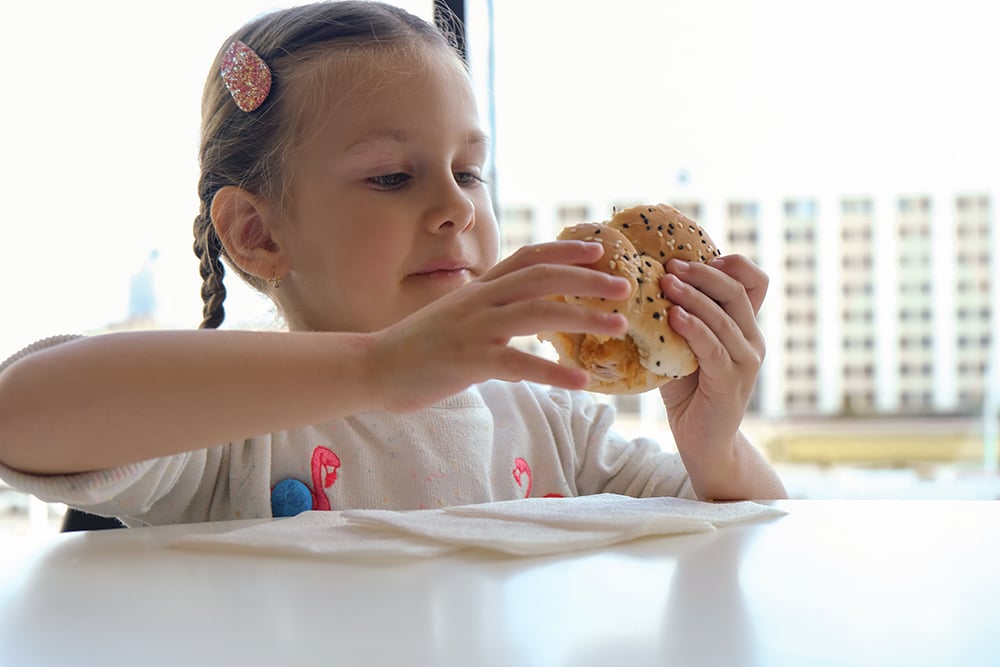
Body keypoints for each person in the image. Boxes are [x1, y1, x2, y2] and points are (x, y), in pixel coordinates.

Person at [0, 1, 785, 527]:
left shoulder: (554, 422)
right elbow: (21, 413)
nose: (458, 208)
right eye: (391, 176)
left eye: (470, 172)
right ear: (257, 234)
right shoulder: (229, 432)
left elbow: (744, 534)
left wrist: (713, 445)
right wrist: (379, 368)